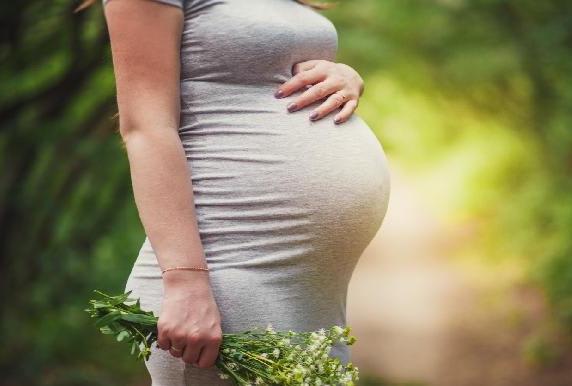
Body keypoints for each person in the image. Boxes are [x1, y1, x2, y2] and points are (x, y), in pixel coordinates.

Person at [92, 0, 391, 383]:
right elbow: (146, 128)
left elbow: (264, 71)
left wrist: (345, 76)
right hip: (227, 265)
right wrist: (185, 281)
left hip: (309, 288)